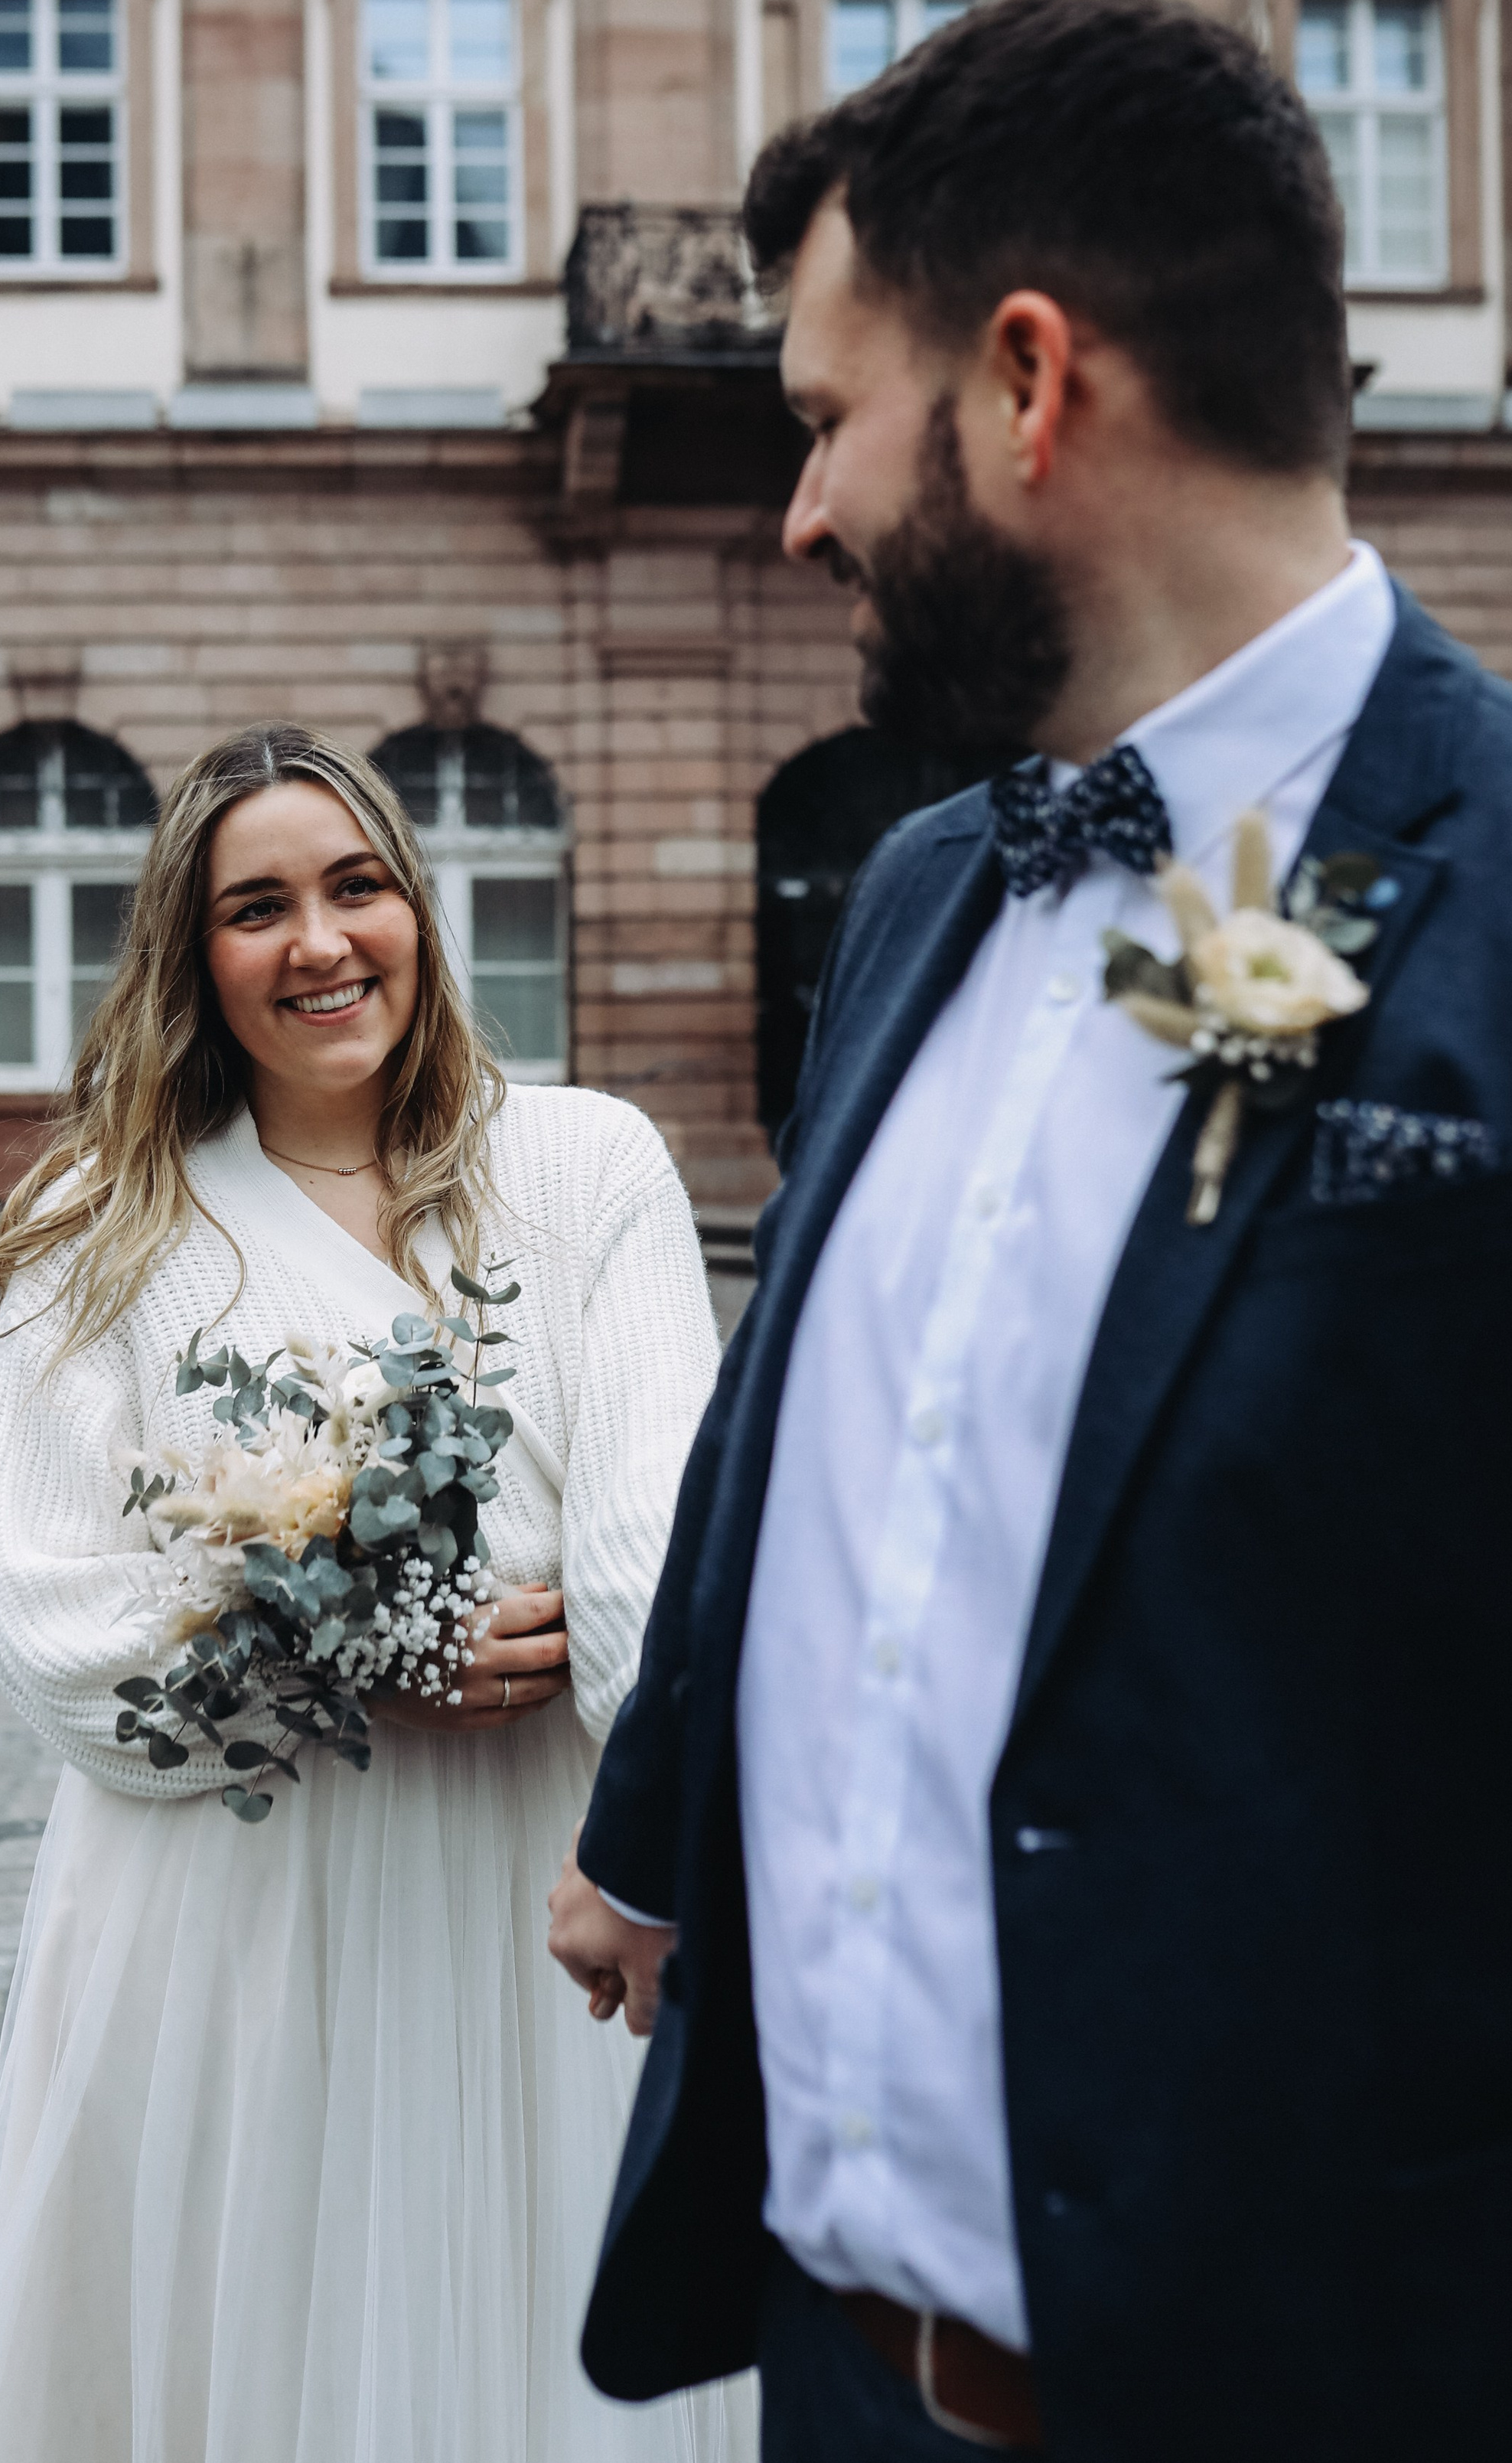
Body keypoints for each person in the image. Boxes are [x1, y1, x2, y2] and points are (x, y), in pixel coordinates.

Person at [547, 3, 1512, 2457]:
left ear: (1024, 385)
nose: (798, 513)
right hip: (836, 2359)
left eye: (822, 422)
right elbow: (815, 1421)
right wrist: (649, 1827)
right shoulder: (917, 889)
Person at [0, 723, 756, 2463]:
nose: (319, 941)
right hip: (230, 1914)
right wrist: (358, 1652)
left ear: (419, 913)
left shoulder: (585, 1166)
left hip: (529, 1893)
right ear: (190, 953)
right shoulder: (101, 1223)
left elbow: (649, 1549)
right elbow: (47, 1608)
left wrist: (666, 1847)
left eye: (358, 885)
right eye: (257, 906)